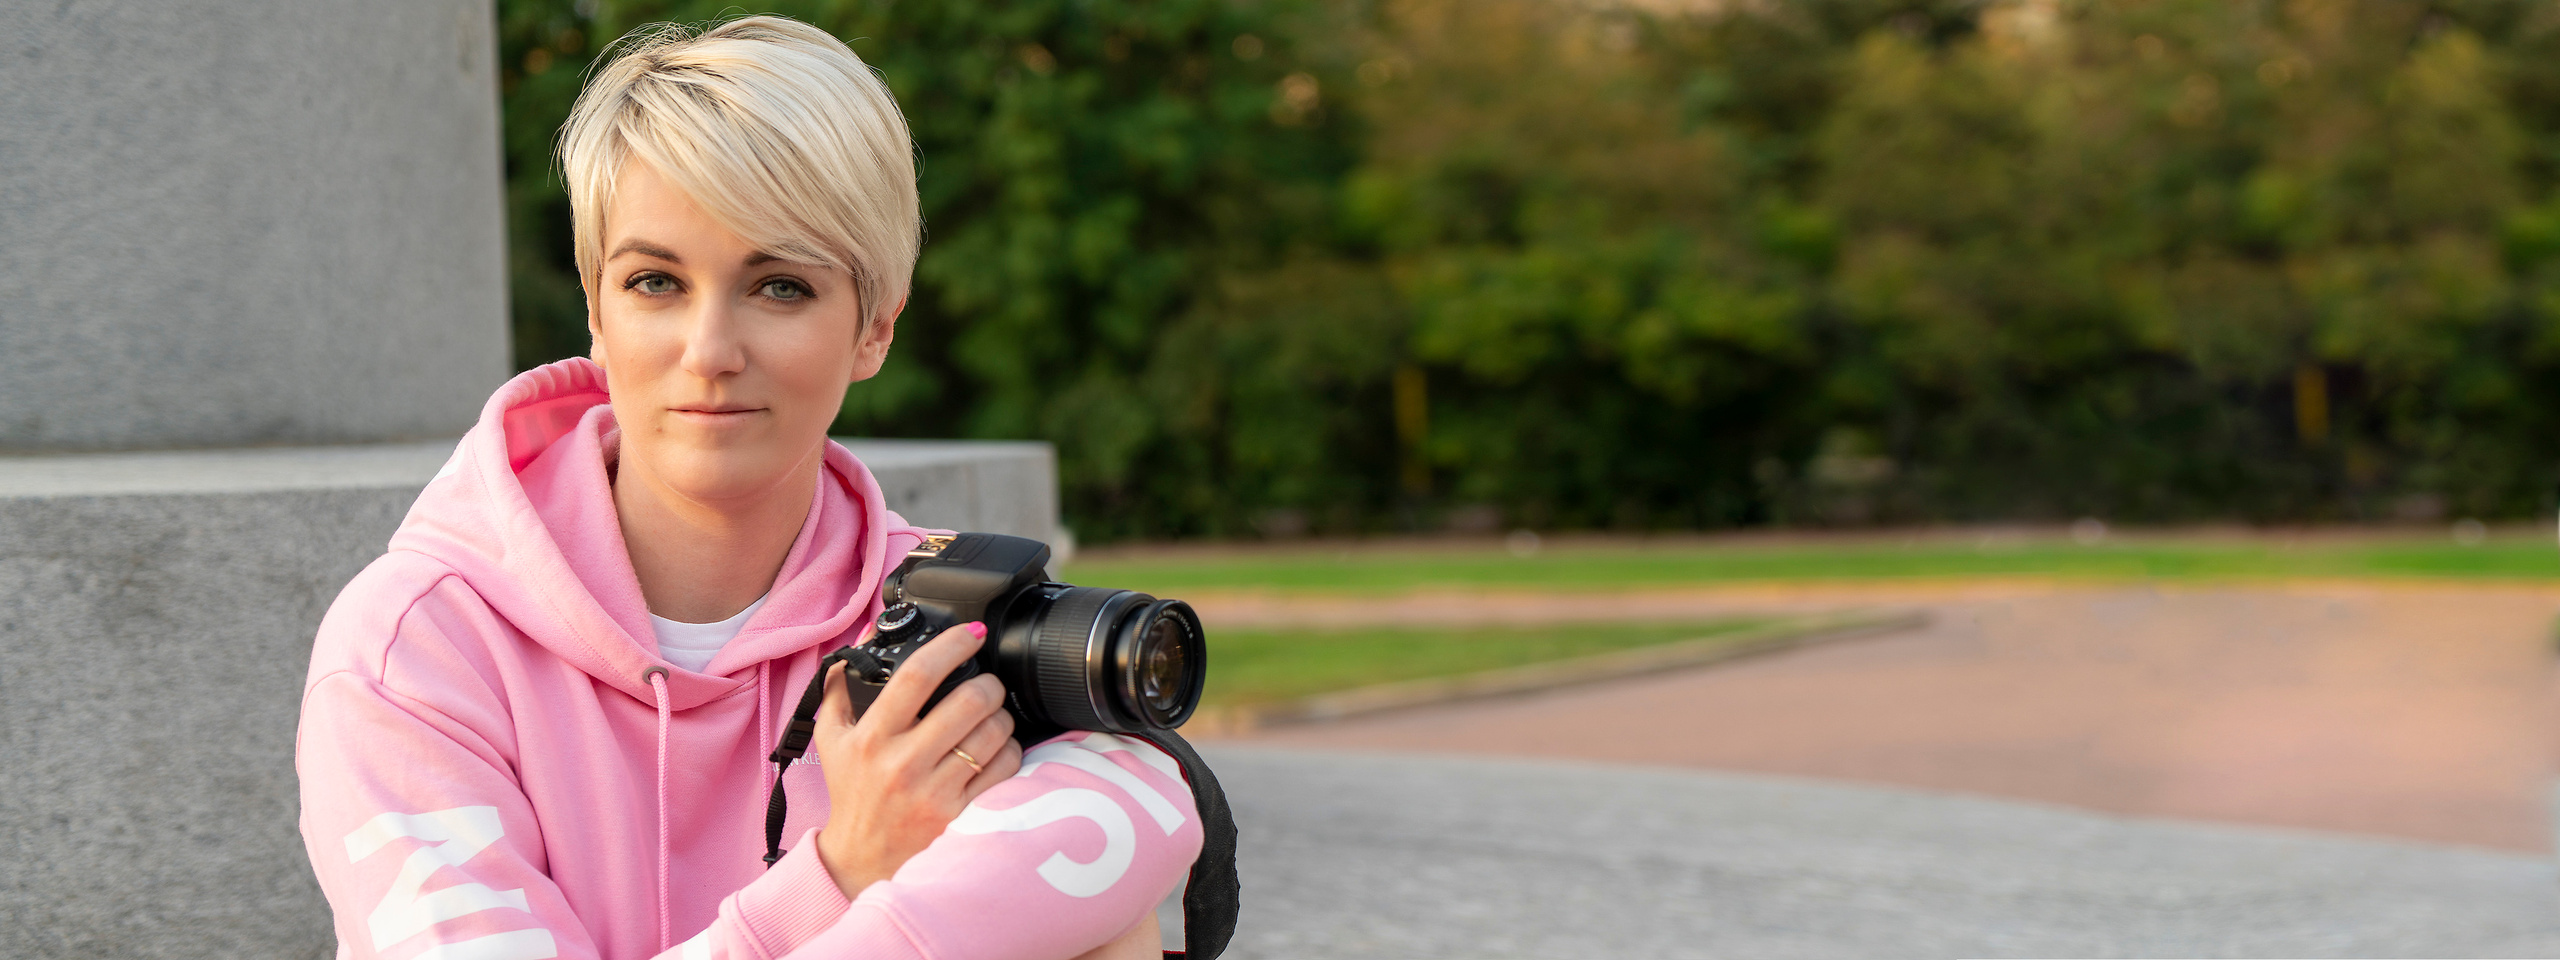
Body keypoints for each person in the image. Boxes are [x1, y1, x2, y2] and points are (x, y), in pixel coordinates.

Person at [295, 17, 1198, 960]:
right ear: (595, 310)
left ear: (875, 327)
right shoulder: (418, 650)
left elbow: (1145, 807)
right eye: (655, 282)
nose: (710, 352)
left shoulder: (942, 613)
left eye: (780, 288)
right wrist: (843, 873)